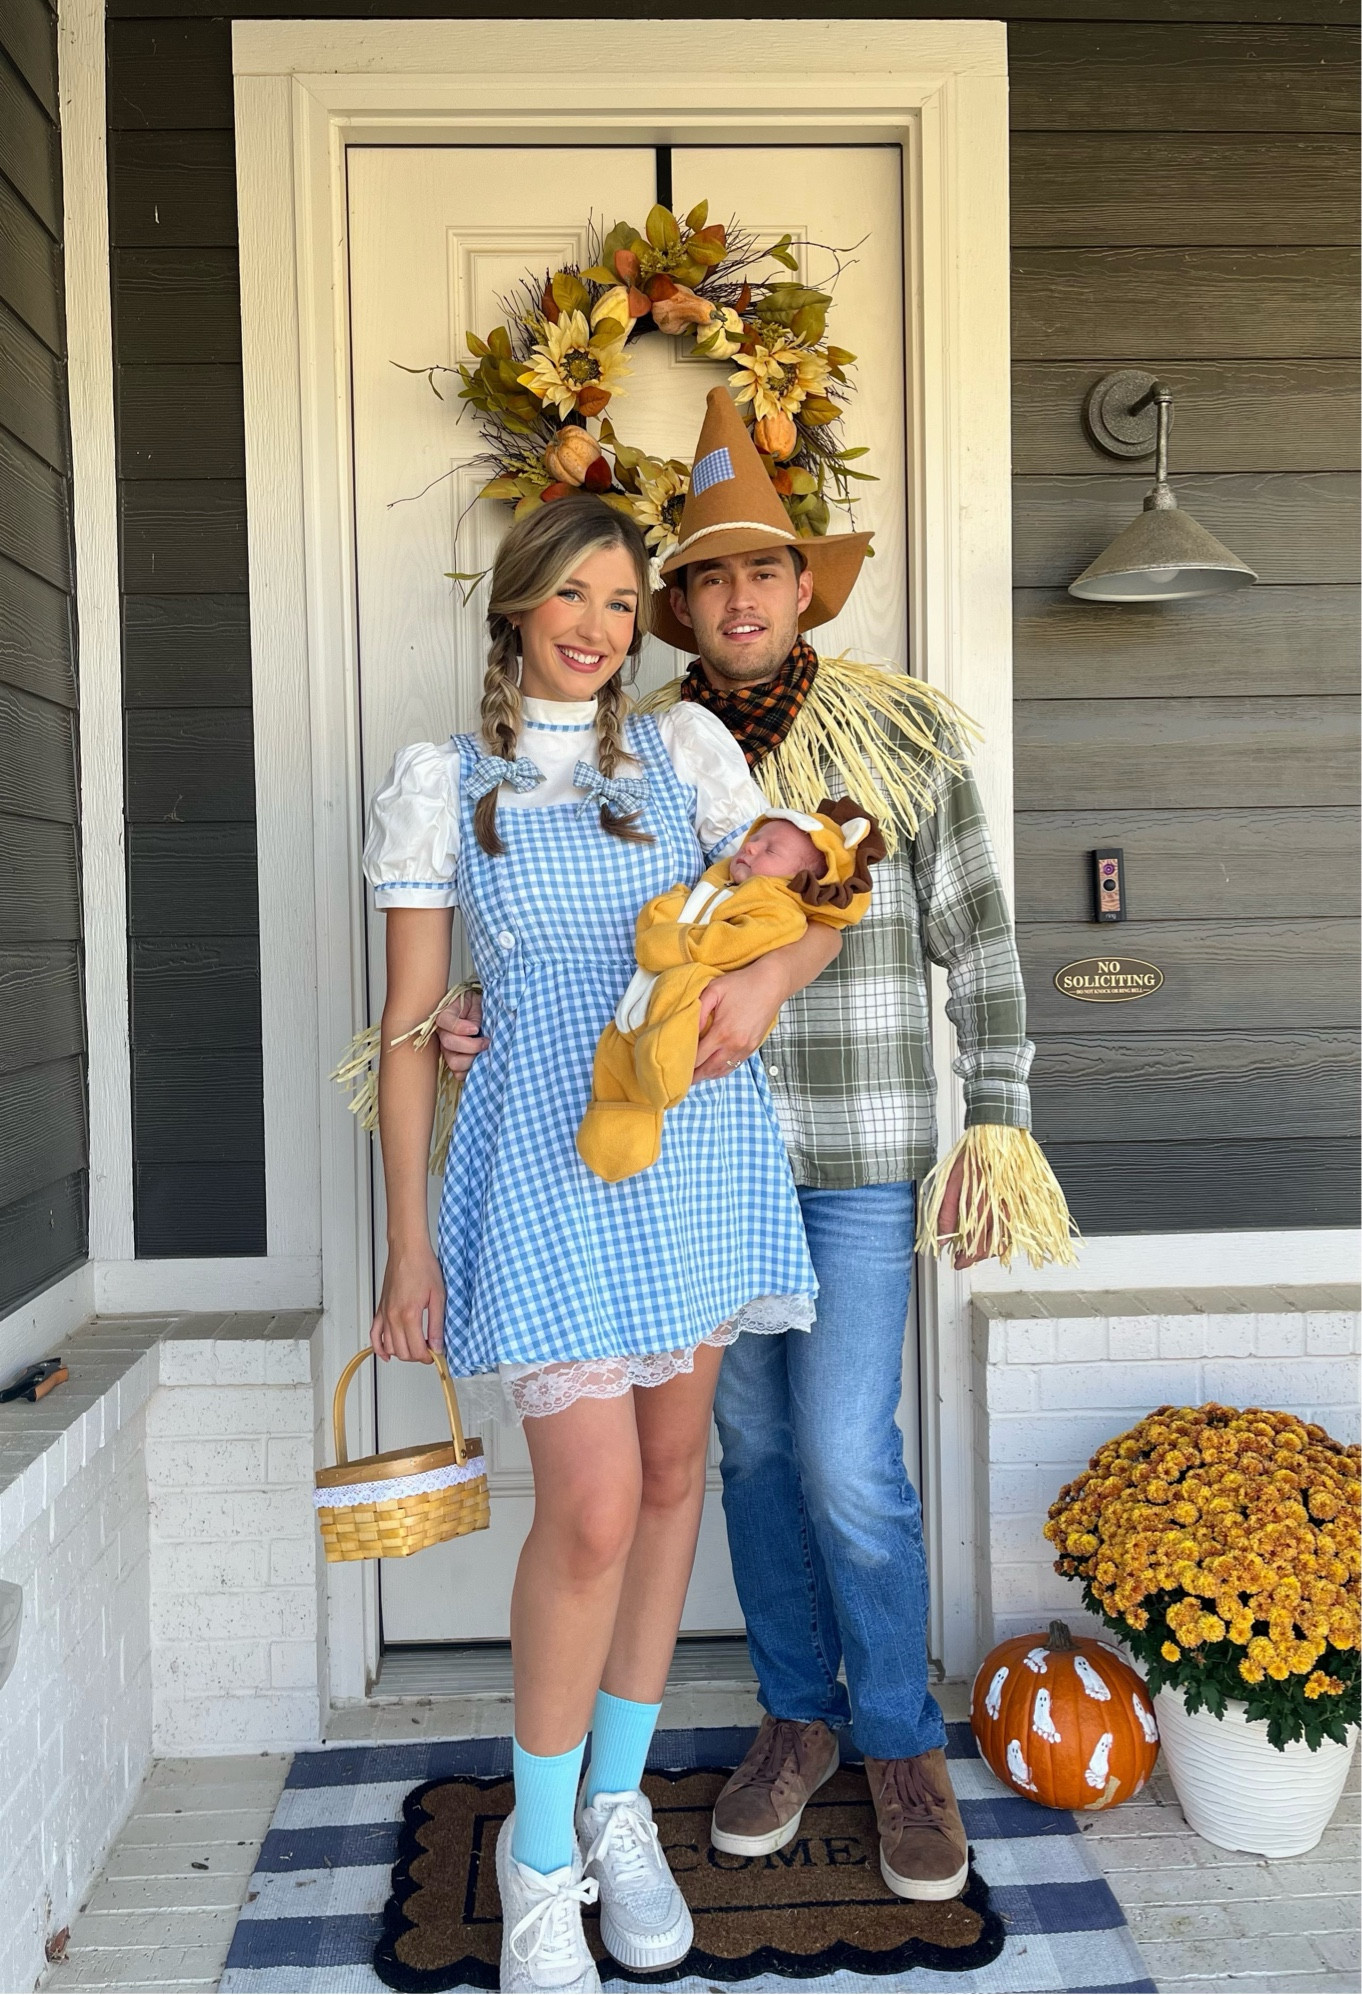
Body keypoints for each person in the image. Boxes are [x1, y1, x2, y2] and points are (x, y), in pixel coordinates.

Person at [439, 387, 1074, 1910]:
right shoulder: (624, 754)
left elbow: (977, 942)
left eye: (767, 569)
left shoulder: (903, 733)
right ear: (675, 608)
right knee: (745, 1452)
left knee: (850, 1455)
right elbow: (569, 941)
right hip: (679, 1166)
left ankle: (899, 1736)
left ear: (804, 587)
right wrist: (473, 1009)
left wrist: (997, 1117)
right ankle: (794, 1718)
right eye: (709, 575)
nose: (739, 596)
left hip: (850, 1146)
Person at [361, 494, 841, 1995]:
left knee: (674, 1474)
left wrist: (761, 989)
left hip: (690, 1154)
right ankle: (539, 1852)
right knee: (587, 1507)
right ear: (514, 607)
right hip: (543, 1173)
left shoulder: (685, 757)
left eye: (624, 603)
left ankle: (620, 1803)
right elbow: (406, 1031)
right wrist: (405, 1248)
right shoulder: (444, 782)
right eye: (570, 595)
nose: (596, 626)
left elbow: (815, 894)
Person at [578, 800, 882, 1182]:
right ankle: (618, 1128)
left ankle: (663, 1064)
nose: (750, 847)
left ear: (799, 879)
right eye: (754, 839)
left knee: (681, 989)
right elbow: (681, 912)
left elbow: (736, 942)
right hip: (646, 993)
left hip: (704, 995)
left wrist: (679, 944)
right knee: (614, 1049)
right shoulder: (721, 887)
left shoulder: (777, 906)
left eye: (770, 849)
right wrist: (668, 908)